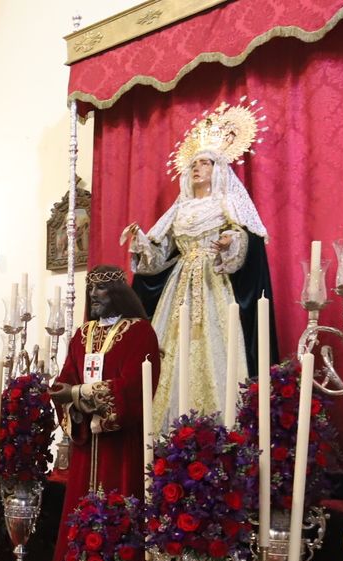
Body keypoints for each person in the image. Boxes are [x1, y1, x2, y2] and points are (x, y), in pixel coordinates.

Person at [122, 101, 275, 432]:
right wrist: (141, 241)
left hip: (213, 282)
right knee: (171, 348)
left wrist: (230, 243)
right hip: (179, 286)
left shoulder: (226, 202)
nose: (196, 168)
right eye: (193, 164)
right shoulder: (180, 210)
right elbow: (161, 254)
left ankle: (218, 428)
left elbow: (247, 237)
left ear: (218, 169)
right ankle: (164, 429)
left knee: (214, 346)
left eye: (204, 163)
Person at [49, 265, 160, 553]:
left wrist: (77, 392)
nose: (94, 294)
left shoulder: (140, 332)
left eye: (101, 288)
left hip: (121, 444)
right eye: (91, 288)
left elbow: (134, 385)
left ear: (119, 293)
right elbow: (68, 375)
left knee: (118, 500)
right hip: (87, 440)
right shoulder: (83, 333)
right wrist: (64, 394)